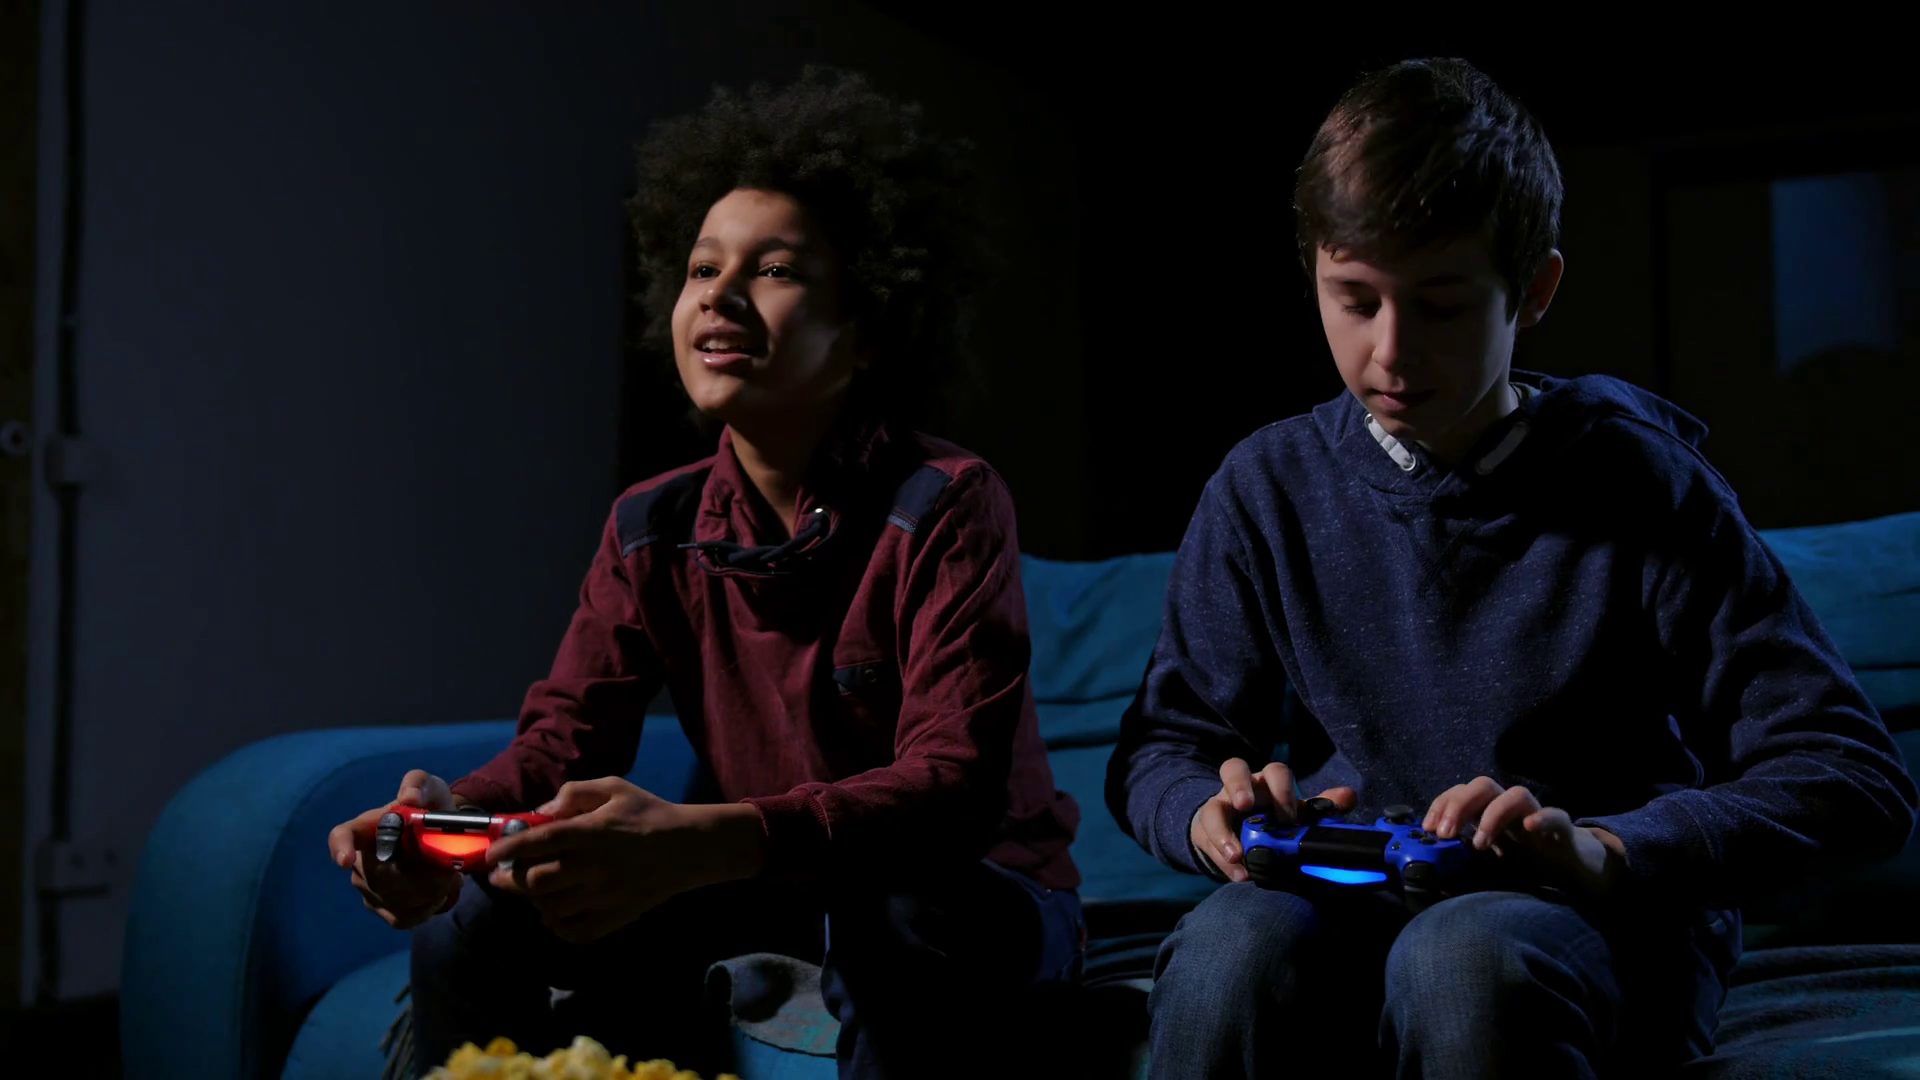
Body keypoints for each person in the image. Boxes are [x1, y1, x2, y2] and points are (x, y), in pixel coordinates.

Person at [1105, 57, 1918, 1078]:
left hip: (1592, 922)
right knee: (1229, 952)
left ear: (1532, 290)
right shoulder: (1265, 488)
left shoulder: (1647, 487)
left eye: (1441, 306)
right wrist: (1206, 812)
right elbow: (1164, 746)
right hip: (1353, 899)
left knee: (1463, 959)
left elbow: (1851, 779)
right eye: (1354, 299)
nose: (1390, 353)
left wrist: (1605, 849)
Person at [326, 66, 1084, 1080]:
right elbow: (565, 739)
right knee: (474, 921)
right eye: (700, 269)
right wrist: (438, 824)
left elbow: (950, 791)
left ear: (865, 330)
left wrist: (702, 841)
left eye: (772, 270)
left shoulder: (946, 501)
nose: (720, 295)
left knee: (898, 914)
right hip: (763, 883)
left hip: (974, 895)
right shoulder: (652, 525)